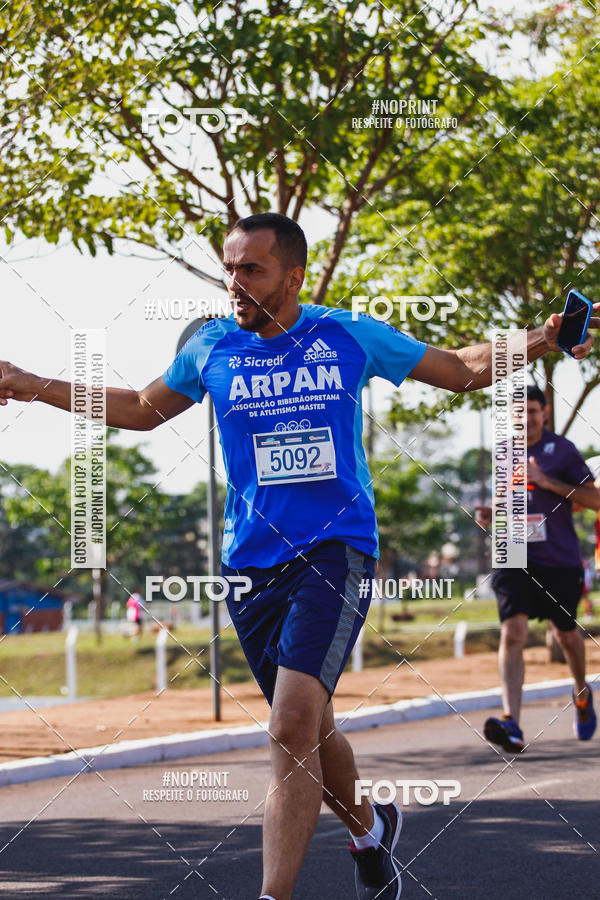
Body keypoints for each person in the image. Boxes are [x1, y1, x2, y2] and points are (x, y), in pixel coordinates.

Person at [1, 214, 598, 900]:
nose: (234, 284)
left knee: (287, 726)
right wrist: (29, 381)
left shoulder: (345, 334)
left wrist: (543, 338)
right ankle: (372, 830)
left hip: (336, 552)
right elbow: (140, 406)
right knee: (313, 729)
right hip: (249, 567)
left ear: (293, 275)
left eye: (250, 270)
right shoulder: (213, 348)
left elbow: (462, 369)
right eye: (228, 269)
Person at [477, 384, 600, 754]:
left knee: (565, 636)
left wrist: (546, 480)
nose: (526, 418)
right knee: (512, 633)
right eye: (519, 412)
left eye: (533, 411)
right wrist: (491, 515)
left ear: (544, 413)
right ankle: (511, 722)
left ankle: (581, 690)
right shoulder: (504, 454)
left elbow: (594, 499)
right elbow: (511, 503)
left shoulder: (562, 451)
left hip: (559, 560)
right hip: (514, 555)